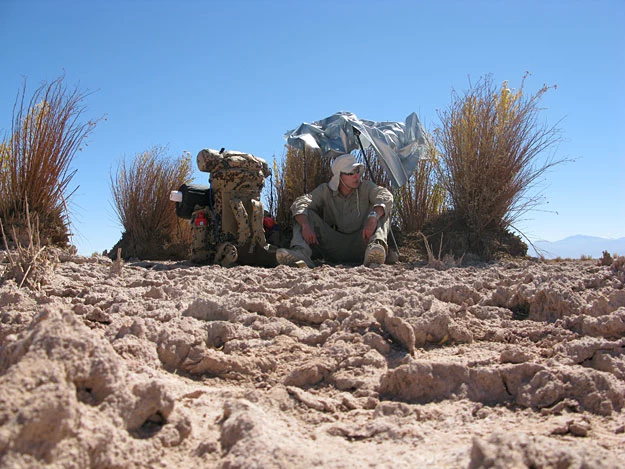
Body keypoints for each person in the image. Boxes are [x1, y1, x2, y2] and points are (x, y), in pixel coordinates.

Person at [276, 153, 393, 267]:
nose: (356, 176)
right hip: (333, 245)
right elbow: (300, 202)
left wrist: (373, 217)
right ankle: (301, 254)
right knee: (302, 213)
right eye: (351, 173)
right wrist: (305, 225)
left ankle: (376, 251)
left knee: (381, 210)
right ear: (339, 176)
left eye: (357, 171)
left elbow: (385, 196)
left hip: (363, 242)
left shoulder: (366, 187)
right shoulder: (325, 190)